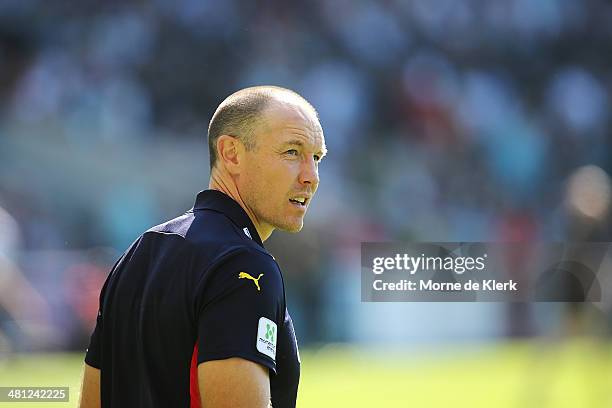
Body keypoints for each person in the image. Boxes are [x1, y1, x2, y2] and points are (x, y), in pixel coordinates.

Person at [78, 85, 326, 408]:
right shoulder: (245, 265)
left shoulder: (136, 254)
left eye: (317, 157)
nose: (312, 176)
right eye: (292, 152)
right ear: (231, 154)